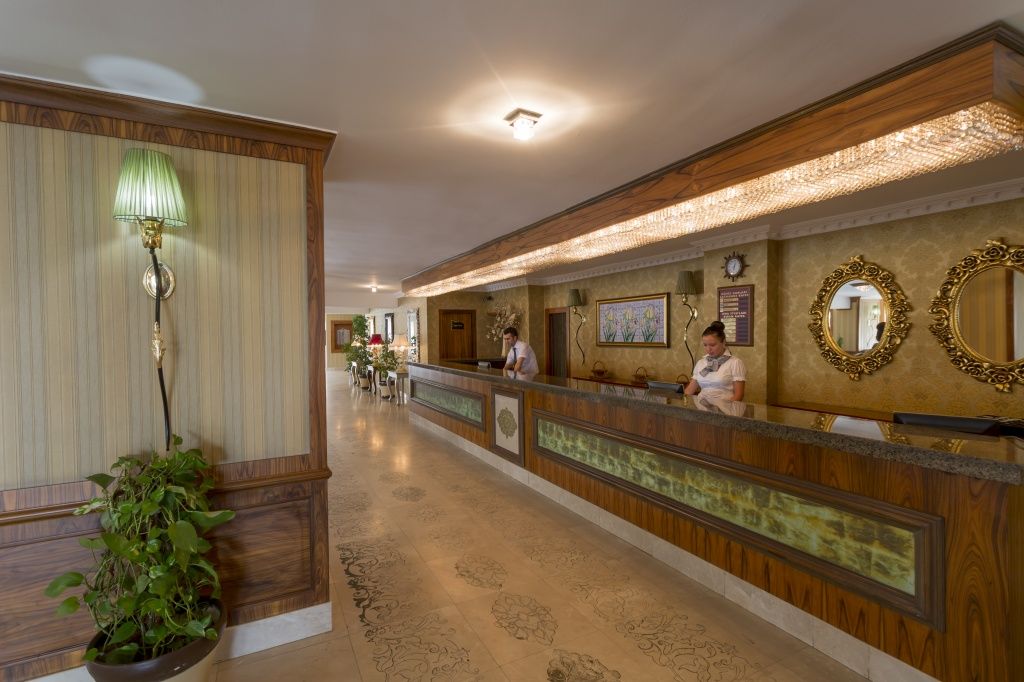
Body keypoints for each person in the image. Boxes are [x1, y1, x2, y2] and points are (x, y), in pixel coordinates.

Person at [684, 321, 746, 401]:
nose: (708, 349)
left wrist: (727, 408)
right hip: (701, 406)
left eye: (712, 345)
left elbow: (739, 395)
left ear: (723, 342)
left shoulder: (735, 363)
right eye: (705, 345)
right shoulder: (701, 363)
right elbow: (690, 390)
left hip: (725, 407)